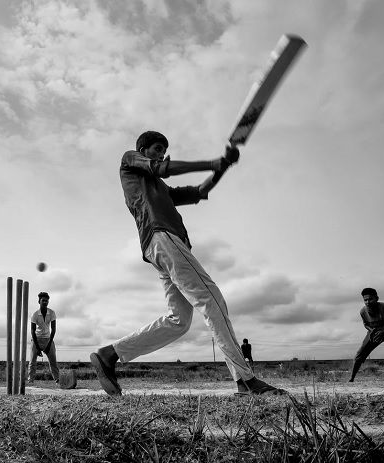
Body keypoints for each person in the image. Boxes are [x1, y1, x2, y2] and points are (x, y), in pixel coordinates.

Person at [90, 130, 283, 396]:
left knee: (179, 320)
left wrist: (223, 167)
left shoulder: (161, 189)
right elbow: (162, 168)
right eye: (158, 148)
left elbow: (200, 191)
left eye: (164, 150)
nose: (162, 154)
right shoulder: (130, 161)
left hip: (160, 247)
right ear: (143, 150)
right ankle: (245, 380)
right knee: (211, 299)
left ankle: (109, 355)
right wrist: (212, 162)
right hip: (162, 237)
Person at [27, 291, 60, 384]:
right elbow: (32, 331)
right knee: (32, 361)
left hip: (48, 339)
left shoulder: (52, 313)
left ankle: (57, 379)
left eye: (46, 300)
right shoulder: (35, 314)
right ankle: (30, 381)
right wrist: (37, 348)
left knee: (53, 361)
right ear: (39, 301)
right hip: (36, 339)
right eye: (43, 300)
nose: (45, 302)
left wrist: (49, 345)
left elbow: (53, 329)